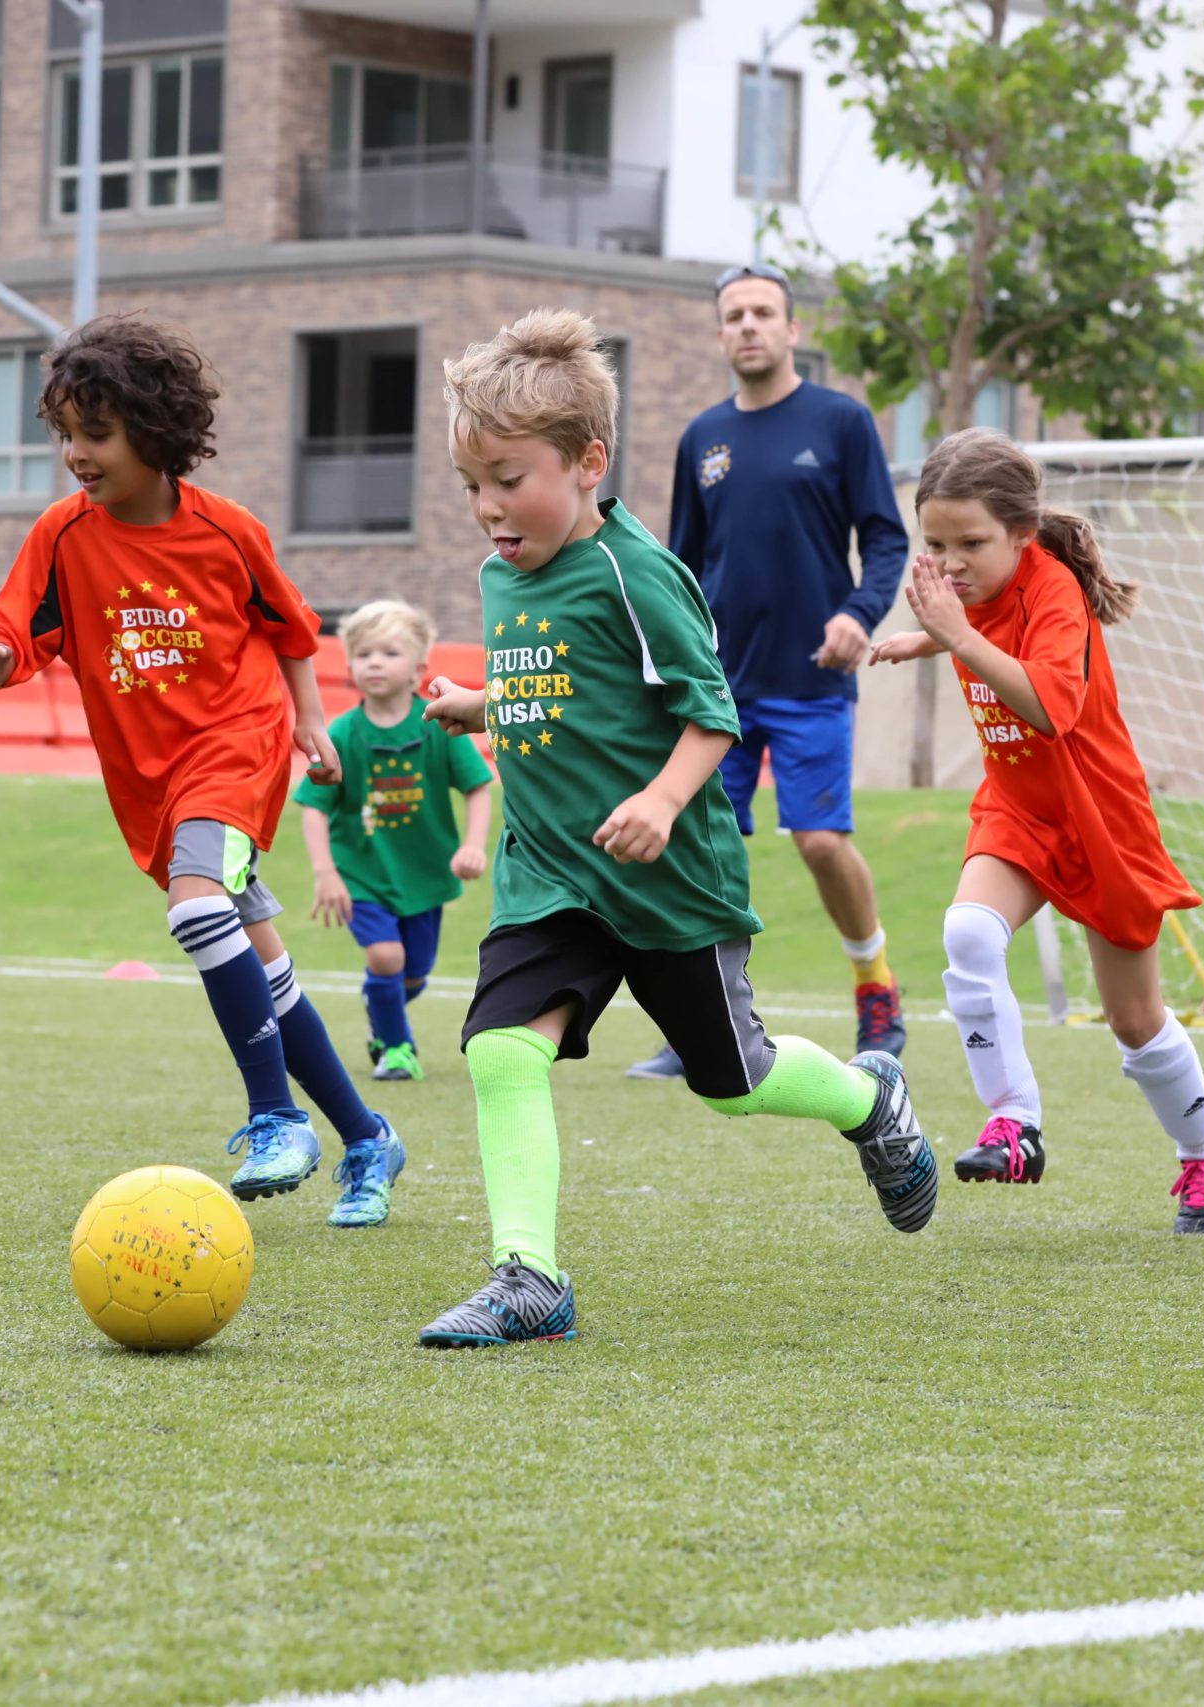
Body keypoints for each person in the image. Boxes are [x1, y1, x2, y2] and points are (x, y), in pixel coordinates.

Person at [415, 308, 937, 1350]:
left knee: (732, 1083)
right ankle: (530, 1278)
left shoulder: (636, 573)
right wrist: (482, 705)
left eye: (508, 480)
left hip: (665, 886)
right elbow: (559, 689)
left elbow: (711, 712)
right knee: (500, 1053)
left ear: (588, 462)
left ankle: (867, 1099)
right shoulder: (499, 573)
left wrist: (658, 802)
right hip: (551, 875)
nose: (486, 509)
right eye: (471, 486)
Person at [0, 315, 405, 1227]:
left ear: (156, 434)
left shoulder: (229, 533)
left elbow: (290, 628)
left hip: (236, 749)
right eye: (67, 434)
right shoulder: (61, 536)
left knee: (197, 906)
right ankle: (367, 1135)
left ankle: (275, 1116)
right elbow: (17, 635)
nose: (77, 454)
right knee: (263, 970)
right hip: (149, 783)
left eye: (98, 434)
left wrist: (311, 718)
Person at [868, 428, 1204, 1233]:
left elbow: (1048, 704)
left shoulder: (1054, 592)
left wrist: (953, 633)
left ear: (1021, 534)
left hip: (1099, 818)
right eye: (935, 542)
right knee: (967, 932)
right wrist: (929, 637)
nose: (951, 560)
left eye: (971, 542)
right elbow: (980, 626)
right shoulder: (966, 598)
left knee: (1134, 1021)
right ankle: (1014, 1121)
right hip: (1017, 810)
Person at [627, 261, 910, 1080]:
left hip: (813, 678)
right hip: (718, 687)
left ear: (793, 330)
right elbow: (678, 565)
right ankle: (702, 1024)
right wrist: (663, 664)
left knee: (821, 840)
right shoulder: (701, 438)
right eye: (734, 315)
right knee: (706, 847)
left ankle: (877, 990)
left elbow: (886, 538)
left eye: (763, 312)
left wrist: (859, 614)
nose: (748, 325)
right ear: (720, 335)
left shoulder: (843, 421)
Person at [293, 598, 493, 1083]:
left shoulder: (440, 725)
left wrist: (473, 845)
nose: (374, 662)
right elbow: (313, 806)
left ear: (419, 669)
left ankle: (380, 1013)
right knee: (386, 957)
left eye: (388, 652)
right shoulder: (340, 732)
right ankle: (398, 1050)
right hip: (362, 875)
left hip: (423, 877)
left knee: (413, 974)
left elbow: (478, 785)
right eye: (363, 654)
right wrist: (326, 873)